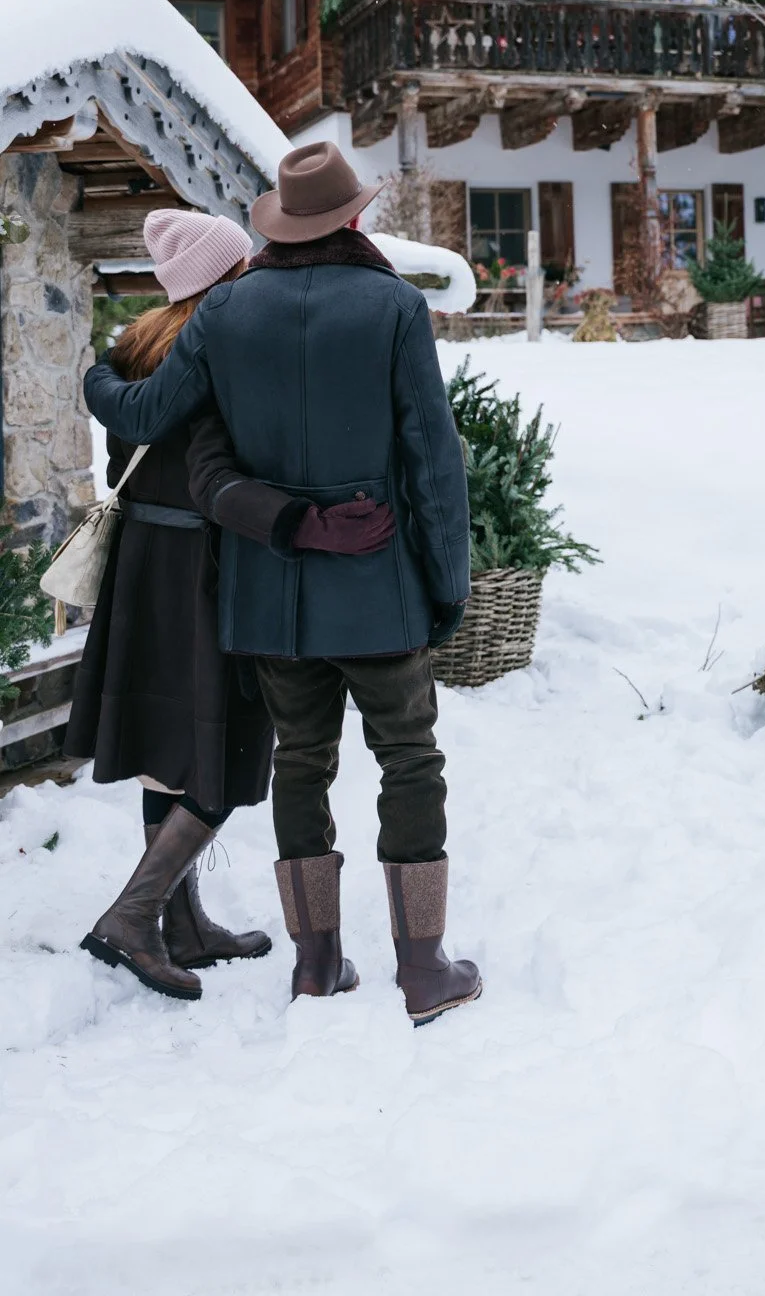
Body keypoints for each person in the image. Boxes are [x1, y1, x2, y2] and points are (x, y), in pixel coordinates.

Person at [84, 143, 482, 1026]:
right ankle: (423, 970)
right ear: (353, 217)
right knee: (409, 761)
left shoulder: (226, 310)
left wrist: (94, 375)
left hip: (267, 590)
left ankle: (316, 965)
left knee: (300, 764)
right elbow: (432, 460)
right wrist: (446, 584)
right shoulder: (392, 306)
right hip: (380, 587)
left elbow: (155, 417)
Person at [68, 210, 281, 1001]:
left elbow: (123, 445)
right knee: (227, 744)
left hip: (143, 563)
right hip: (208, 562)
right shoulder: (225, 345)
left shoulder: (133, 347)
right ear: (222, 276)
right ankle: (133, 916)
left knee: (170, 742)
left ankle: (182, 926)